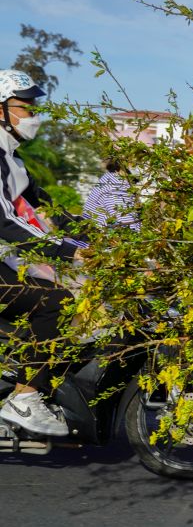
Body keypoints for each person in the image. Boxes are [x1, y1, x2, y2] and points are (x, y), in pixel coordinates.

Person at [0, 69, 82, 436]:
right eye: (26, 107)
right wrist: (67, 251)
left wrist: (105, 238)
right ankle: (24, 399)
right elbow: (4, 222)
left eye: (35, 108)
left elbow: (49, 209)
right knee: (55, 301)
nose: (34, 116)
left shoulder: (14, 161)